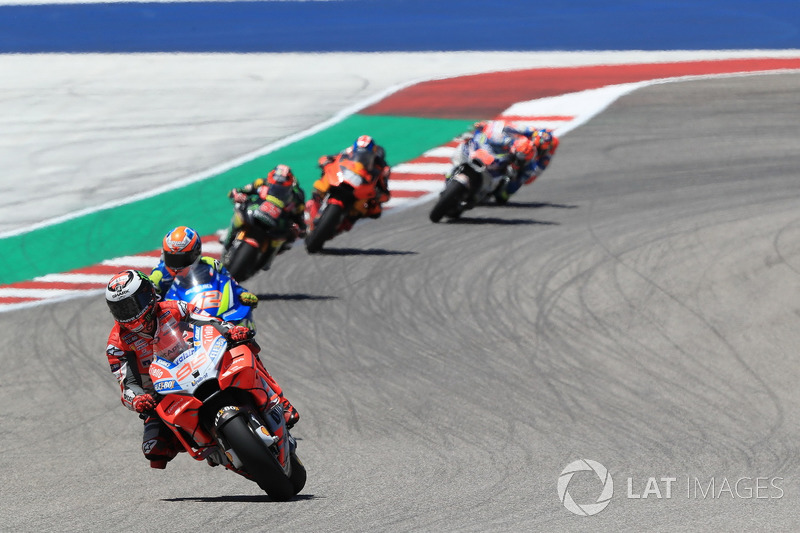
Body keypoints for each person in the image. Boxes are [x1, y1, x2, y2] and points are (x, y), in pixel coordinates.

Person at [104, 269, 299, 469]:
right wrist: (138, 399)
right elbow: (127, 383)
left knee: (243, 346)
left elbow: (209, 321)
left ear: (149, 296)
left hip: (199, 362)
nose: (128, 314)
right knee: (155, 449)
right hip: (161, 394)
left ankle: (281, 402)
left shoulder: (174, 308)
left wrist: (231, 330)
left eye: (131, 305)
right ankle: (210, 447)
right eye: (121, 309)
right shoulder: (117, 343)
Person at [149, 225, 259, 309]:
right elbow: (146, 302)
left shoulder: (211, 264)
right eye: (171, 258)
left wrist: (241, 293)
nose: (177, 266)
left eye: (182, 259)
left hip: (210, 310)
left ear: (196, 253)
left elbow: (230, 283)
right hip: (177, 322)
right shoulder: (158, 276)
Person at [221, 164, 307, 253]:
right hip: (255, 211)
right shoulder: (261, 182)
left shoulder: (296, 198)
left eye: (283, 188)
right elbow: (239, 190)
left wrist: (301, 228)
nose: (278, 189)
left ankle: (269, 255)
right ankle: (229, 236)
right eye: (276, 184)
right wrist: (237, 195)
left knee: (289, 238)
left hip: (277, 224)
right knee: (239, 209)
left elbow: (300, 216)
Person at [308, 135, 391, 221]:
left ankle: (350, 219)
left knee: (375, 211)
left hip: (362, 186)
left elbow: (385, 192)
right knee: (327, 173)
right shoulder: (348, 152)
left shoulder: (381, 167)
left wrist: (378, 194)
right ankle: (315, 202)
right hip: (345, 177)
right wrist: (326, 160)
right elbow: (334, 158)